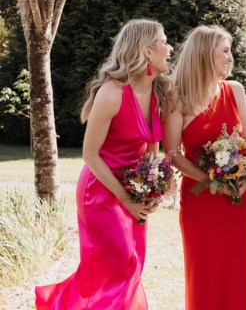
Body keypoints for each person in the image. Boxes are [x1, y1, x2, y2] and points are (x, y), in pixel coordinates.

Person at [35, 19, 173, 310]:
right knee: (122, 264)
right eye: (164, 42)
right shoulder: (111, 93)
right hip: (101, 192)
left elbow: (151, 152)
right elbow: (90, 154)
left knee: (131, 265)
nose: (170, 48)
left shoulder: (158, 93)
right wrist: (125, 198)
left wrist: (152, 192)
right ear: (148, 51)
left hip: (134, 191)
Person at [162, 25, 246, 310]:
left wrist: (243, 178)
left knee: (236, 270)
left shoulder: (235, 90)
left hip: (237, 199)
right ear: (204, 54)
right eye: (224, 51)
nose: (230, 58)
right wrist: (211, 180)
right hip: (200, 199)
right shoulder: (177, 96)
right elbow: (173, 153)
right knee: (202, 270)